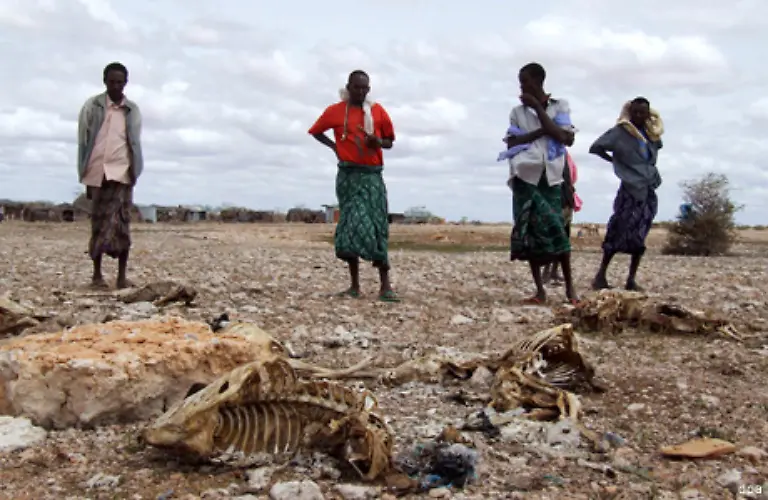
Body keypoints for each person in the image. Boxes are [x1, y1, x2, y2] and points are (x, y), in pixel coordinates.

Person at [307, 70, 399, 302]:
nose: (360, 92)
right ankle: (354, 285)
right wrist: (335, 147)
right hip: (348, 176)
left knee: (377, 226)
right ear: (348, 87)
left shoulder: (377, 111)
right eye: (356, 88)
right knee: (350, 226)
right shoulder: (335, 111)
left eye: (364, 88)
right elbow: (316, 131)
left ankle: (385, 286)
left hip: (372, 177)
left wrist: (378, 142)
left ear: (369, 89)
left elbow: (390, 142)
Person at [503, 62, 578, 304]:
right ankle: (540, 290)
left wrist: (538, 108)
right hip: (525, 176)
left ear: (538, 81)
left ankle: (570, 290)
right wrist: (542, 133)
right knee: (531, 234)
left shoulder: (560, 106)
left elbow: (566, 138)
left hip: (552, 177)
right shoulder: (517, 112)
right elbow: (512, 143)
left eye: (525, 81)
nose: (522, 86)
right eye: (520, 81)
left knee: (558, 229)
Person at [77, 62, 143, 289]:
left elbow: (134, 142)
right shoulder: (92, 107)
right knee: (99, 224)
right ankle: (97, 276)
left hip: (122, 172)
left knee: (122, 224)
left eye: (120, 82)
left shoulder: (132, 111)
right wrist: (84, 174)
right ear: (105, 81)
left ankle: (121, 277)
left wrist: (135, 171)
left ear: (126, 83)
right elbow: (84, 140)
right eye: (112, 82)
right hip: (97, 172)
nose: (116, 86)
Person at [589, 97, 664, 291]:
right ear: (630, 113)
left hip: (647, 188)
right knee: (618, 230)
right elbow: (596, 147)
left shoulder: (651, 135)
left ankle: (631, 279)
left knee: (640, 235)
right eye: (635, 112)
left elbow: (654, 152)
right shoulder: (620, 133)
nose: (639, 116)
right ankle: (601, 276)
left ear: (648, 114)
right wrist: (616, 162)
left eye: (643, 113)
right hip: (629, 190)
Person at [542, 150, 582, 284]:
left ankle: (552, 271)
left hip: (565, 200)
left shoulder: (563, 154)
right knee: (556, 237)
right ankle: (548, 271)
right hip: (558, 200)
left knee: (561, 238)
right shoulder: (554, 152)